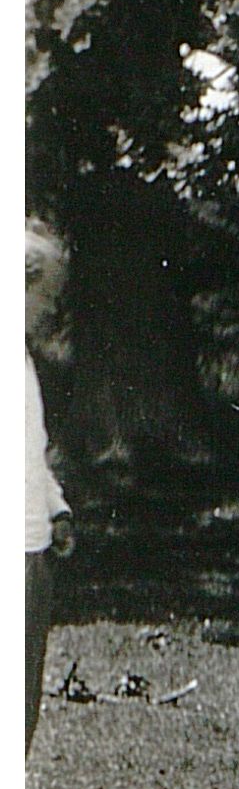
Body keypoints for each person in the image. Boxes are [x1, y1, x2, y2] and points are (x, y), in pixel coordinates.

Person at [26, 217, 75, 749]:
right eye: (48, 294)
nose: (53, 308)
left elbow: (29, 455)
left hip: (32, 552)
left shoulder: (23, 362)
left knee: (22, 699)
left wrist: (55, 507)